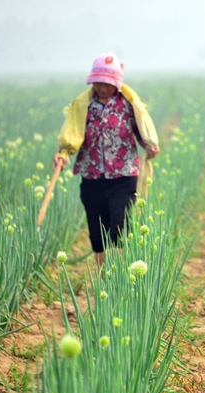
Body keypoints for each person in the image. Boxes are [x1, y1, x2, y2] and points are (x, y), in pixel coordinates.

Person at [53, 52, 160, 266]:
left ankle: (120, 271)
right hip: (92, 177)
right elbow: (72, 134)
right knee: (97, 227)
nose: (102, 88)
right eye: (98, 83)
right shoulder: (82, 106)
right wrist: (63, 154)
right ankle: (103, 274)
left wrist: (149, 145)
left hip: (123, 176)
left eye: (107, 84)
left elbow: (140, 130)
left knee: (120, 225)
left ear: (117, 83)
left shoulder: (128, 104)